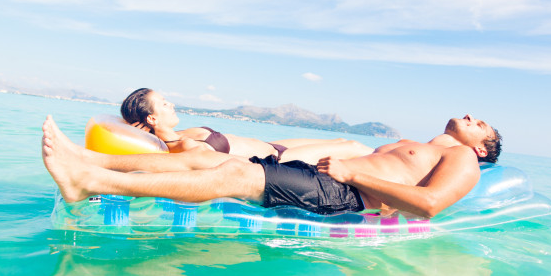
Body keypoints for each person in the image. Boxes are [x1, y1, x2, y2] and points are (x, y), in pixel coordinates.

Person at [42, 113, 502, 218]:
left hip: (346, 193)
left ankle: (88, 182)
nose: (472, 119)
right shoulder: (409, 143)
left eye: (482, 126)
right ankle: (87, 158)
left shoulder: (461, 159)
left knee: (234, 175)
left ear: (481, 149)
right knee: (207, 158)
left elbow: (430, 206)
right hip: (320, 178)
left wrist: (353, 173)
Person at [120, 88, 372, 164]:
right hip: (279, 159)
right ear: (151, 119)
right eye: (163, 104)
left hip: (274, 145)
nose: (171, 104)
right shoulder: (180, 147)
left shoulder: (181, 135)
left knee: (340, 142)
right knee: (351, 145)